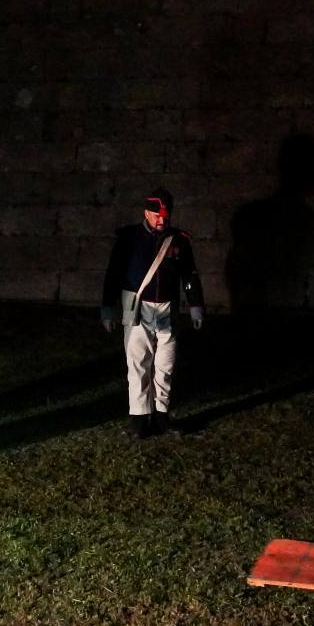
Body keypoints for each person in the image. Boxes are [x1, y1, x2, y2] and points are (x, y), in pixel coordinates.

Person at [101, 187, 205, 438]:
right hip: (138, 307)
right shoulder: (129, 239)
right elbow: (114, 274)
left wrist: (195, 306)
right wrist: (107, 308)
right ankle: (138, 419)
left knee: (165, 364)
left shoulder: (178, 240)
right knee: (138, 363)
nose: (161, 220)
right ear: (146, 213)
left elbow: (189, 275)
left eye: (165, 216)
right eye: (157, 215)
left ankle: (161, 416)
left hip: (167, 308)